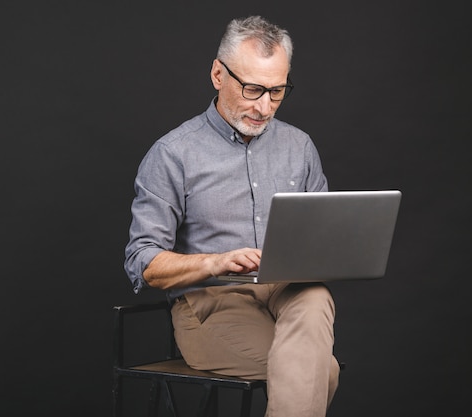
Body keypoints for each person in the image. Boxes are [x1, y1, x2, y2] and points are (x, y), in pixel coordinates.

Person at [124, 15, 340, 417]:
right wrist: (215, 261)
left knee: (315, 296)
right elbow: (143, 263)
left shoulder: (299, 146)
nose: (264, 107)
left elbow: (322, 239)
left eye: (277, 92)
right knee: (320, 371)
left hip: (285, 293)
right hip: (212, 303)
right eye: (254, 89)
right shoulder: (174, 154)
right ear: (218, 74)